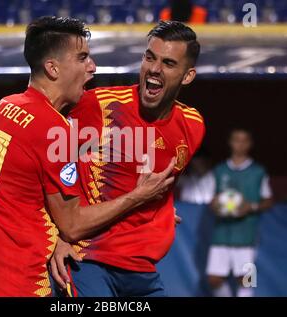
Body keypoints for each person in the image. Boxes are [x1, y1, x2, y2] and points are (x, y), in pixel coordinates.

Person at [0, 16, 175, 297]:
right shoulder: (54, 128)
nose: (92, 67)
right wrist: (139, 197)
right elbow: (73, 224)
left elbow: (21, 194)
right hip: (14, 282)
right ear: (53, 68)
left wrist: (52, 238)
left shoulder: (3, 107)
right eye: (82, 58)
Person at [51, 20, 205, 297]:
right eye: (149, 57)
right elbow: (46, 172)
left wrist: (159, 209)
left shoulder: (193, 125)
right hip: (88, 262)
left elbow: (156, 187)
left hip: (142, 271)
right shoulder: (99, 106)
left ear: (187, 76)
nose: (154, 69)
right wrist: (53, 239)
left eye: (168, 63)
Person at [207, 128, 273, 297]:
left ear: (250, 144)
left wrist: (250, 207)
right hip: (222, 232)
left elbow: (268, 201)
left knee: (246, 279)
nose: (240, 144)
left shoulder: (258, 172)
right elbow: (212, 200)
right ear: (230, 142)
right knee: (214, 280)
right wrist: (215, 205)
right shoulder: (219, 170)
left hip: (246, 234)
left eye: (244, 140)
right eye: (236, 140)